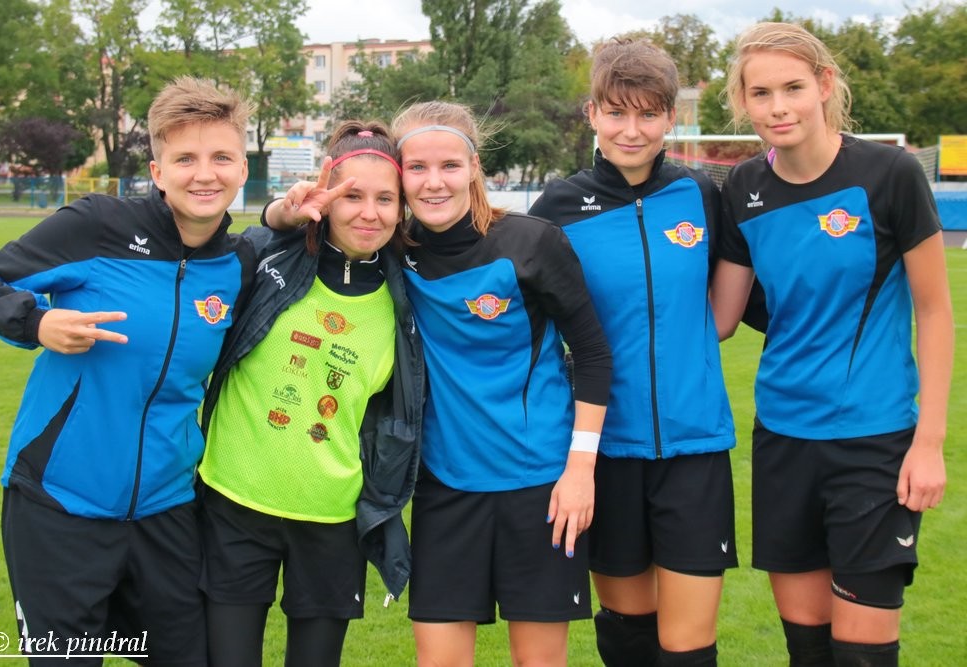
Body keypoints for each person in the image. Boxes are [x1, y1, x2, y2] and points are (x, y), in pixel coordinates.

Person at [0, 76, 255, 665]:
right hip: (59, 505)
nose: (205, 174)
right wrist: (37, 323)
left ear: (243, 168)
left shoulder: (239, 262)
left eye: (221, 157)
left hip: (168, 512)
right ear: (157, 171)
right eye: (185, 158)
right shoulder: (97, 225)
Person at [710, 21, 952, 667]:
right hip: (782, 439)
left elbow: (934, 310)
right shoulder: (743, 190)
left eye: (792, 87)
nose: (778, 107)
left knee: (863, 653)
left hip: (873, 441)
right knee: (808, 649)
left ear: (824, 85)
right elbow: (720, 318)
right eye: (761, 93)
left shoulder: (889, 173)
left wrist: (928, 442)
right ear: (743, 101)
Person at [529, 38, 737, 667]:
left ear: (671, 117)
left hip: (695, 448)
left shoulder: (700, 195)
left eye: (648, 114)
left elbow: (730, 305)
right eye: (616, 112)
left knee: (689, 646)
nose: (631, 129)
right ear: (592, 113)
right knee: (627, 635)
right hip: (603, 453)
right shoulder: (557, 208)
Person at [390, 100, 612, 667]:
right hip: (445, 485)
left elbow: (591, 353)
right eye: (417, 168)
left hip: (540, 485)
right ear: (399, 174)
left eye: (449, 165)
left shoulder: (531, 242)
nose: (434, 182)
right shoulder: (392, 250)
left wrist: (580, 471)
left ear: (474, 167)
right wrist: (278, 211)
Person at [198, 121, 424, 667]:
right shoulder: (266, 260)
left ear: (401, 210)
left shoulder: (408, 298)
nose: (369, 213)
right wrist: (281, 211)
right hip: (233, 504)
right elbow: (222, 240)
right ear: (324, 197)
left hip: (333, 519)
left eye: (385, 199)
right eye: (352, 196)